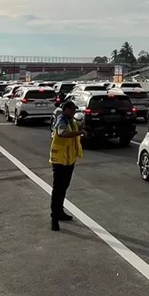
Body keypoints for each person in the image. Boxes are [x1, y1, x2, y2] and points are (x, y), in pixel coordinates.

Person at [48, 98, 83, 231]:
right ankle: (54, 218)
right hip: (60, 161)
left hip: (69, 160)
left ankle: (60, 212)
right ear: (66, 110)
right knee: (58, 189)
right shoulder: (61, 121)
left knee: (63, 188)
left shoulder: (71, 121)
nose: (74, 112)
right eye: (72, 109)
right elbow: (63, 134)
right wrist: (79, 132)